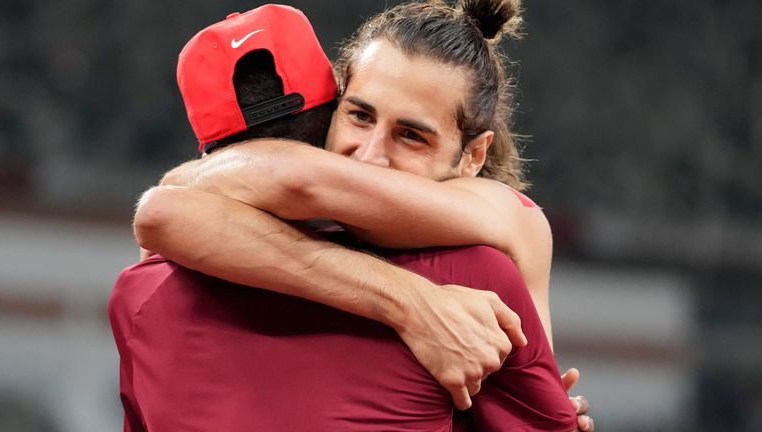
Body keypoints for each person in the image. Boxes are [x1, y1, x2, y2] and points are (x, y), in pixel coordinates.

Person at [113, 1, 592, 430]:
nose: (368, 158)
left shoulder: (506, 221)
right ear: (334, 104)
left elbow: (284, 181)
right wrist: (410, 302)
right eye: (360, 116)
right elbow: (164, 212)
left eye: (411, 136)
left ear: (473, 156)